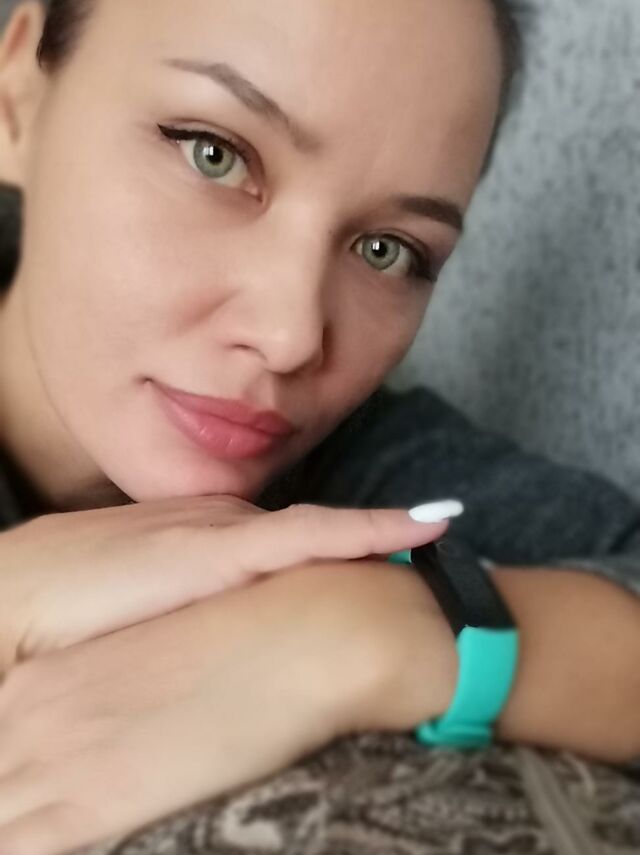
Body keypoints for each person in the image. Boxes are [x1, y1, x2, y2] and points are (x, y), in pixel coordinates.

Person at [0, 0, 637, 852]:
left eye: (388, 250)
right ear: (16, 95)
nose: (293, 335)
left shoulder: (366, 470)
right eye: (214, 154)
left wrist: (368, 631)